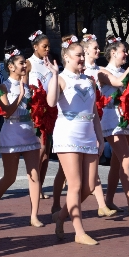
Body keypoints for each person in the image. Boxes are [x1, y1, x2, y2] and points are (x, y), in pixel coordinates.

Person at [48, 35, 104, 245]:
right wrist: (53, 76)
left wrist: (100, 137)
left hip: (88, 135)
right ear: (67, 57)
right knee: (75, 185)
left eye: (83, 54)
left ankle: (60, 216)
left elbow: (94, 113)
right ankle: (79, 232)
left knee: (89, 186)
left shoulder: (89, 80)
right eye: (77, 55)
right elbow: (51, 102)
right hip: (67, 135)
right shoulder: (61, 78)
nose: (81, 58)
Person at [0, 46, 43, 227]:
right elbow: (7, 113)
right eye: (21, 63)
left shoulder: (28, 85)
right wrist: (19, 96)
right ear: (11, 66)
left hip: (29, 131)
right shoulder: (3, 87)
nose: (24, 66)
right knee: (10, 177)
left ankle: (34, 215)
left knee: (34, 174)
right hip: (11, 132)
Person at [99, 36, 129, 214]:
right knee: (126, 158)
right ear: (113, 53)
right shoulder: (102, 71)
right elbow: (118, 83)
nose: (125, 54)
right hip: (110, 117)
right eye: (123, 51)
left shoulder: (124, 71)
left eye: (126, 52)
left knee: (117, 163)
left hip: (124, 116)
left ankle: (108, 200)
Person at [80, 32, 118, 217]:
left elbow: (119, 81)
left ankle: (102, 204)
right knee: (65, 174)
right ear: (86, 50)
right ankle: (58, 203)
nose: (98, 50)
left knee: (92, 165)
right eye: (95, 48)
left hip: (94, 119)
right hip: (78, 124)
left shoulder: (100, 71)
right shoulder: (78, 72)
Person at [24, 30, 55, 201]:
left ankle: (40, 186)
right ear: (35, 47)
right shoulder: (28, 63)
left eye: (49, 46)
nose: (47, 49)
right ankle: (34, 187)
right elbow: (24, 85)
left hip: (49, 109)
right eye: (44, 46)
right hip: (35, 109)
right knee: (40, 149)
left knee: (47, 151)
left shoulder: (49, 63)